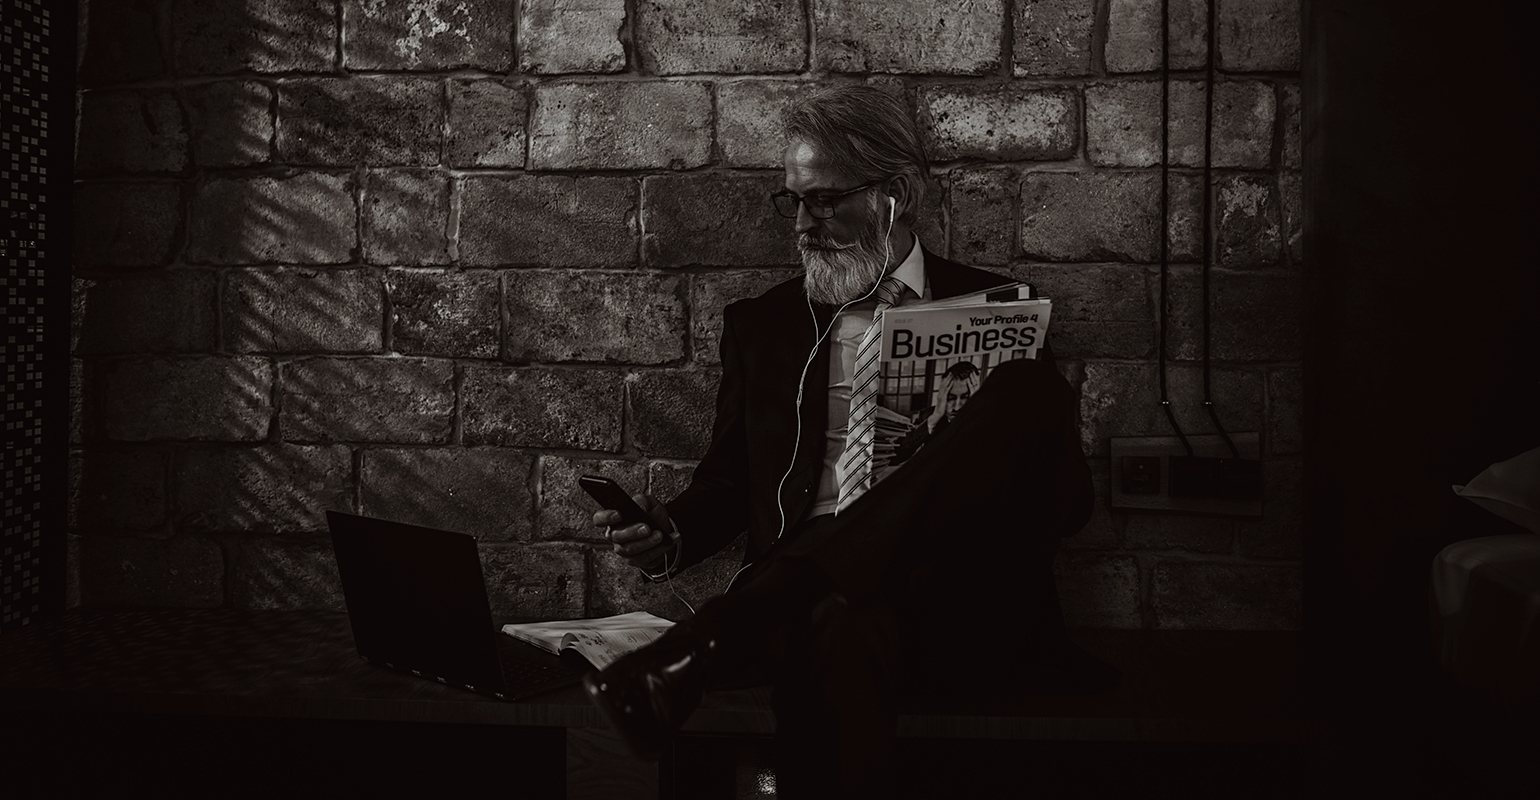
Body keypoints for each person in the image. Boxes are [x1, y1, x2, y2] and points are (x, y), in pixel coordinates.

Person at [583, 85, 1116, 798]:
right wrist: (670, 533)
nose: (804, 224)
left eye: (826, 201)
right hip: (825, 620)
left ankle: (719, 634)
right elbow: (730, 483)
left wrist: (1012, 449)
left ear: (898, 195)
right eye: (794, 201)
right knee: (840, 615)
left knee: (1029, 391)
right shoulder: (763, 326)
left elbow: (1068, 507)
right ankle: (782, 601)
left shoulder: (1003, 311)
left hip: (957, 600)